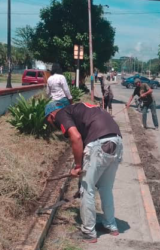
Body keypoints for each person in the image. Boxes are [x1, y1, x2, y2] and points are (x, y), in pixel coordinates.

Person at [45, 102, 123, 243]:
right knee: (105, 188)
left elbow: (76, 138)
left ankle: (89, 232)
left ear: (51, 115)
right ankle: (111, 226)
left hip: (99, 144)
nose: (51, 125)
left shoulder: (61, 114)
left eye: (49, 121)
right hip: (116, 141)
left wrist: (78, 166)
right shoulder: (78, 109)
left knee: (87, 190)